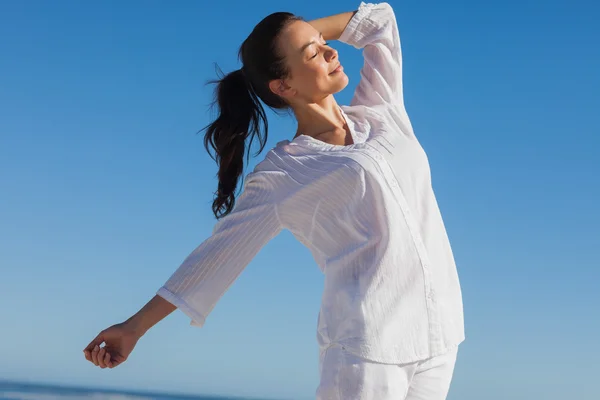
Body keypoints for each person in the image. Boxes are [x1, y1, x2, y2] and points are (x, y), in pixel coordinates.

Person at [83, 2, 465, 399]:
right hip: (367, 349)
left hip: (438, 333)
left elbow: (380, 22)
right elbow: (217, 255)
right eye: (314, 53)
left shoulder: (381, 112)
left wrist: (297, 39)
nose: (332, 51)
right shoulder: (285, 172)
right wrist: (134, 327)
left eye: (324, 43)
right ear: (283, 86)